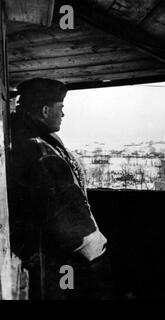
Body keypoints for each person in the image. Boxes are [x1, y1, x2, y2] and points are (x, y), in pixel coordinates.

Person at [9, 78, 112, 300]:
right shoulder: (39, 150)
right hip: (65, 257)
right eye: (60, 108)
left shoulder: (35, 140)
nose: (63, 114)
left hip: (51, 254)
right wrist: (92, 248)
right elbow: (64, 212)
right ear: (45, 110)